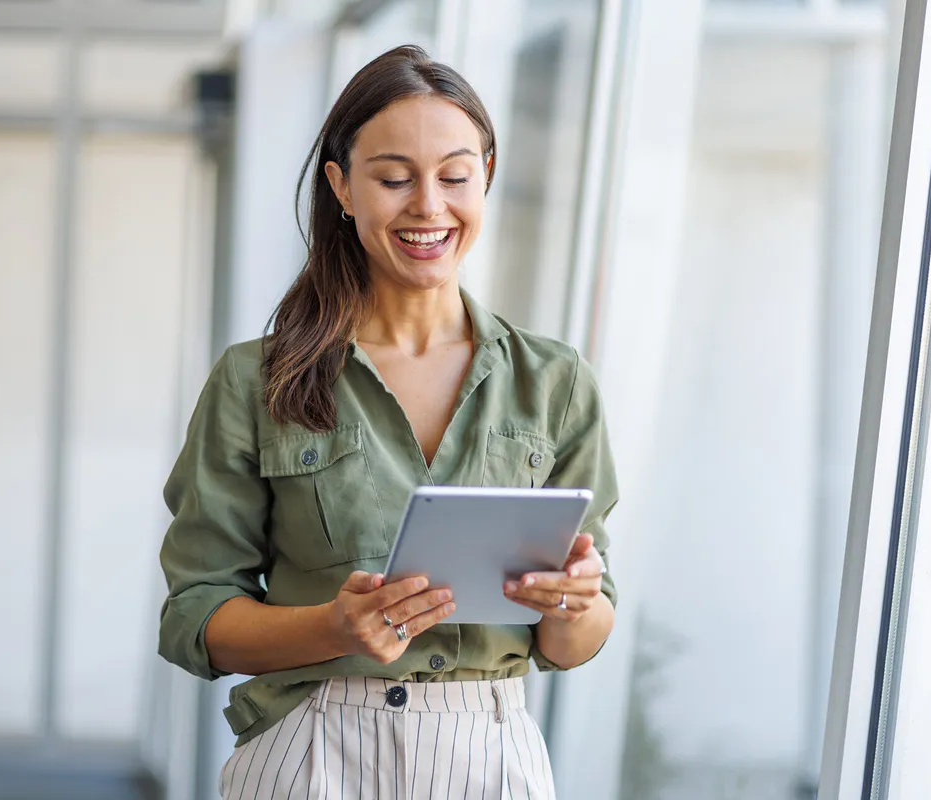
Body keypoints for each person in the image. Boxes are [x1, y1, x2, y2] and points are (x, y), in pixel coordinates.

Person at [157, 44, 618, 800]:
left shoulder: (556, 383)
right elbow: (194, 616)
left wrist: (576, 603)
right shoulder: (256, 380)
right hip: (313, 751)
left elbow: (576, 642)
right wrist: (333, 629)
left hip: (491, 758)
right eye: (395, 178)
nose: (428, 206)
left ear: (488, 176)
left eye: (455, 176)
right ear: (341, 187)